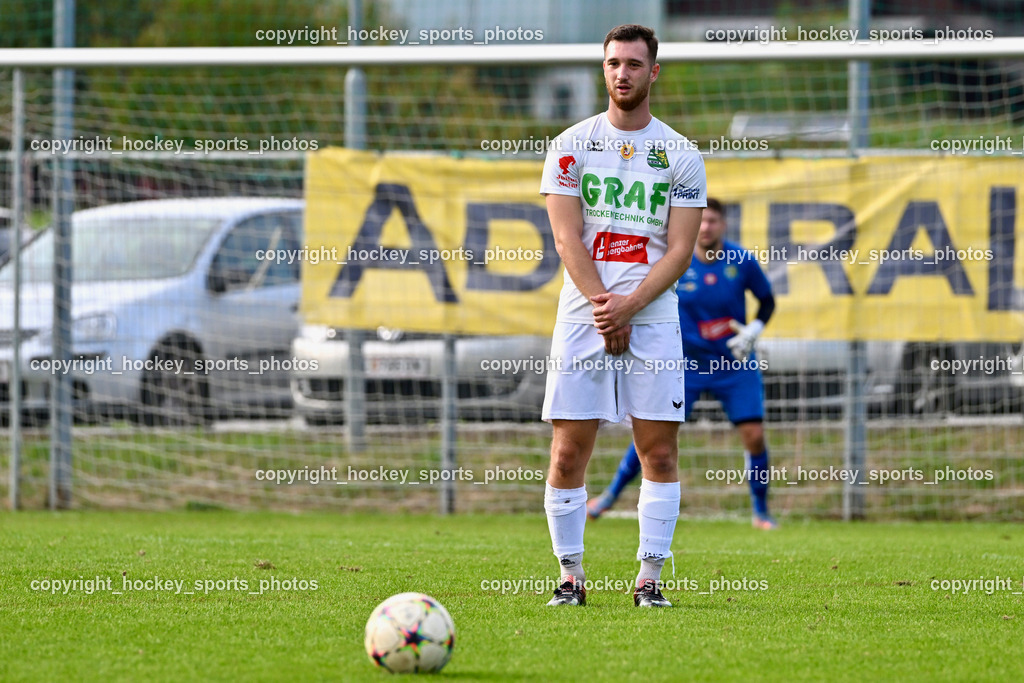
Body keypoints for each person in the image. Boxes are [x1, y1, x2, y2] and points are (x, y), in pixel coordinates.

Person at [538, 24, 706, 608]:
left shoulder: (681, 154)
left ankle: (650, 580)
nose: (623, 73)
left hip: (654, 319)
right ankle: (570, 577)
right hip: (583, 316)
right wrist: (606, 311)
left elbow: (680, 249)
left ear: (653, 72)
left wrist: (632, 306)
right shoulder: (569, 145)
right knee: (567, 451)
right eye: (614, 63)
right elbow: (565, 238)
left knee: (658, 452)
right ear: (602, 69)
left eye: (635, 64)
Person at [587, 198, 778, 530]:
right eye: (701, 221)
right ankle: (609, 496)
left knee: (755, 434)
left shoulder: (740, 260)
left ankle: (761, 512)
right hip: (684, 364)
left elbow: (767, 301)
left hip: (733, 364)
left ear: (724, 225)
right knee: (652, 437)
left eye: (713, 221)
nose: (706, 227)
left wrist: (754, 330)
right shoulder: (675, 261)